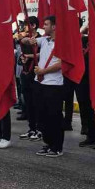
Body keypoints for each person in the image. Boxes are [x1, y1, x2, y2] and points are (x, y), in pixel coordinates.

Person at [31, 16, 65, 157]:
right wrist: (29, 39)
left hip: (54, 84)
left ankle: (57, 147)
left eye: (46, 24)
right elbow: (28, 41)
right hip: (40, 83)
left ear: (54, 26)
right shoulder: (44, 40)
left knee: (54, 116)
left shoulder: (62, 43)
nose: (43, 27)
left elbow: (62, 63)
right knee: (42, 115)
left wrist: (43, 71)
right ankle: (47, 143)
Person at [16, 17, 41, 140]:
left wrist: (29, 56)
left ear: (34, 26)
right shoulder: (24, 39)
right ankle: (31, 128)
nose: (24, 28)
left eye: (26, 25)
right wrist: (23, 58)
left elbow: (42, 55)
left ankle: (39, 129)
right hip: (25, 74)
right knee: (28, 103)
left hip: (36, 75)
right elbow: (21, 54)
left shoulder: (41, 39)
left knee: (37, 103)